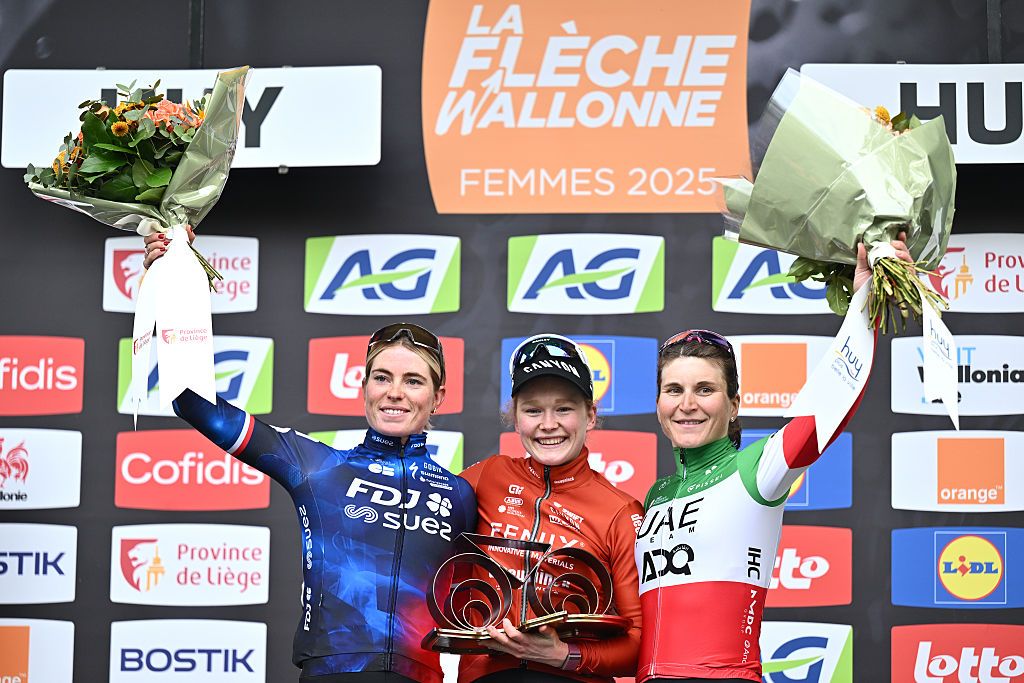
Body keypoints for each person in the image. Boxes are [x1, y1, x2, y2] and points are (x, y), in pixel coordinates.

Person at [144, 232, 477, 683]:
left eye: (413, 381)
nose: (395, 392)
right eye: (382, 377)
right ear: (364, 389)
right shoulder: (317, 465)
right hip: (331, 671)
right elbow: (193, 402)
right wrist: (169, 282)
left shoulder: (462, 494)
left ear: (438, 397)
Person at [635, 237, 912, 683]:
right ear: (659, 403)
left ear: (735, 404)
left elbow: (828, 408)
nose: (687, 404)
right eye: (674, 390)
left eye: (705, 390)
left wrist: (863, 301)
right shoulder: (655, 494)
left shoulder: (756, 470)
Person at [457, 333, 644, 683]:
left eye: (564, 408)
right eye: (532, 410)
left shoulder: (620, 511)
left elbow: (639, 645)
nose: (548, 424)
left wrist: (563, 656)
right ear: (515, 417)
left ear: (590, 415)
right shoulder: (486, 477)